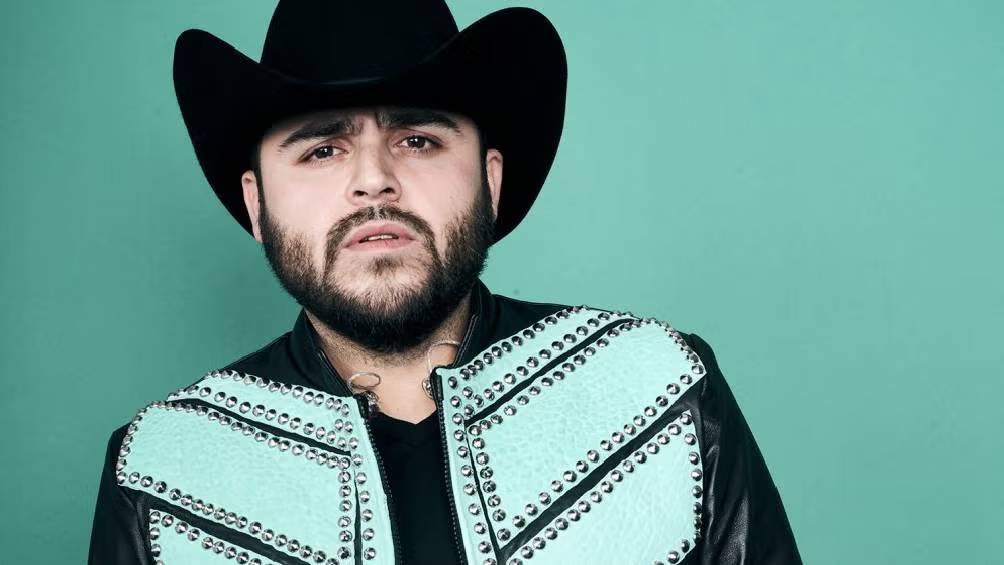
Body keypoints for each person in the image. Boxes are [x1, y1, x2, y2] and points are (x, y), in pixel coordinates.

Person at [88, 1, 802, 563]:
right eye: (323, 148)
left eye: (418, 140)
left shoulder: (658, 389)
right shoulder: (162, 472)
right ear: (256, 205)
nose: (374, 180)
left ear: (490, 182)